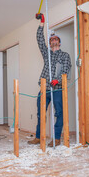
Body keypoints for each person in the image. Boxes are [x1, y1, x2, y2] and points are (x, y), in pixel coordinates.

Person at [28, 13, 72, 147]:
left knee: (59, 113)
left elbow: (66, 69)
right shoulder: (46, 54)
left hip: (58, 89)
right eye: (51, 40)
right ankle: (38, 137)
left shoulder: (65, 55)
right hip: (44, 88)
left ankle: (57, 139)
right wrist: (42, 23)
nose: (53, 41)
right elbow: (39, 39)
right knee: (40, 114)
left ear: (59, 42)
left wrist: (57, 80)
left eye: (55, 39)